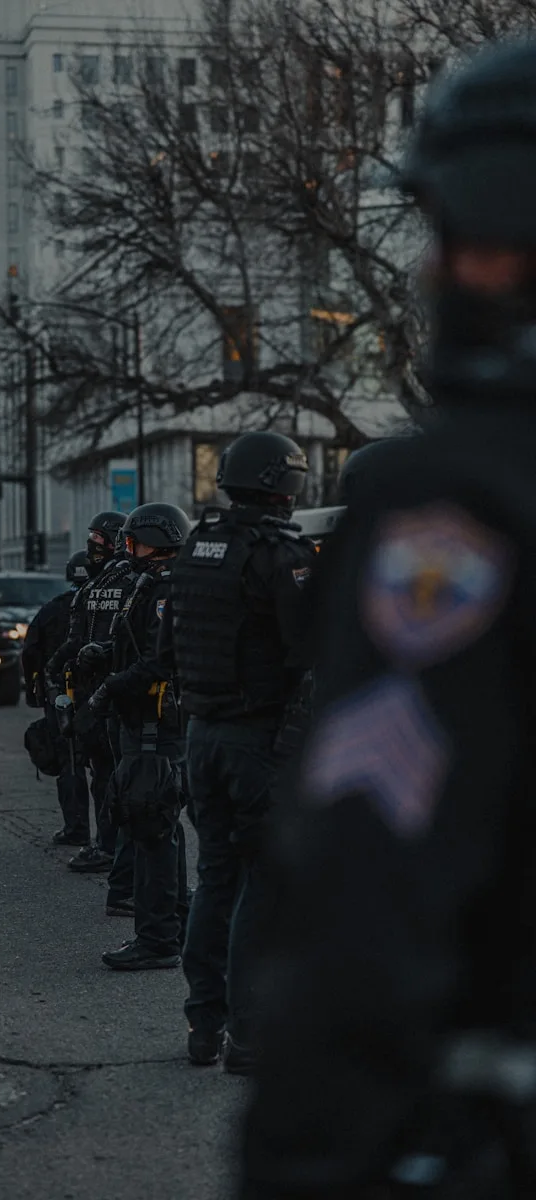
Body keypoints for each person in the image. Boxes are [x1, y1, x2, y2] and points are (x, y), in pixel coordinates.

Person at [241, 40, 536, 1198]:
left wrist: (306, 1161)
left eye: (452, 237)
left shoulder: (450, 500)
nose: (425, 274)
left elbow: (367, 884)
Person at [165, 431, 316, 1071]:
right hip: (259, 738)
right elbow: (310, 653)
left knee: (214, 877)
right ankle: (250, 1036)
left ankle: (205, 1026)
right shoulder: (280, 553)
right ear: (285, 484)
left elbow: (172, 641)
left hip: (203, 736)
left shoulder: (198, 545)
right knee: (262, 882)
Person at [77, 503, 192, 970]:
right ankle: (174, 922)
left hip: (153, 724)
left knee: (151, 829)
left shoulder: (166, 587)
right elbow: (141, 645)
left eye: (134, 540)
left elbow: (161, 660)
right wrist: (104, 653)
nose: (128, 548)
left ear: (157, 540)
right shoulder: (148, 582)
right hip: (142, 722)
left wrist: (111, 686)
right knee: (158, 828)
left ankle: (158, 939)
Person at [47, 510, 134, 876]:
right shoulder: (90, 587)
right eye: (91, 539)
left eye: (100, 539)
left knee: (125, 775)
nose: (92, 545)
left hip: (123, 692)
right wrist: (54, 670)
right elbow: (74, 640)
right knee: (102, 771)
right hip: (91, 694)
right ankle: (107, 843)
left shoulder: (137, 582)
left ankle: (118, 848)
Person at [22, 550, 91, 846]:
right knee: (107, 764)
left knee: (70, 761)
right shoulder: (111, 604)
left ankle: (76, 828)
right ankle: (114, 840)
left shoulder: (53, 609)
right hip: (100, 693)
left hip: (61, 694)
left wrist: (34, 685)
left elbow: (30, 651)